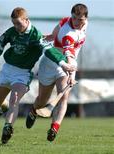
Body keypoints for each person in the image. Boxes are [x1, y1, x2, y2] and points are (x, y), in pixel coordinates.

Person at [0, 7, 76, 144]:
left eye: (19, 24)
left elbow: (49, 50)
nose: (16, 27)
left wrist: (63, 63)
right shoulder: (12, 32)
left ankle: (8, 127)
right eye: (14, 23)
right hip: (7, 70)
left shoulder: (35, 35)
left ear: (26, 20)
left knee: (14, 99)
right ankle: (3, 106)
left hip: (23, 73)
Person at [26, 3, 88, 142]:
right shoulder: (68, 33)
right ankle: (33, 110)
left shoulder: (83, 23)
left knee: (63, 97)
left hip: (66, 66)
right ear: (71, 16)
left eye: (80, 19)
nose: (77, 22)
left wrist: (70, 75)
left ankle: (54, 128)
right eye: (74, 18)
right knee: (42, 100)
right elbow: (68, 55)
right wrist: (72, 74)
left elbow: (53, 36)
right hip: (52, 62)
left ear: (85, 18)